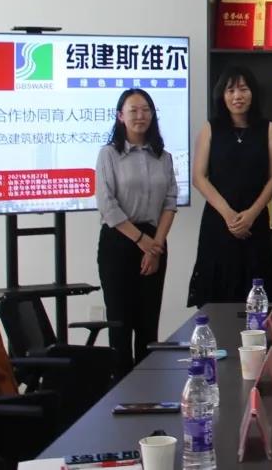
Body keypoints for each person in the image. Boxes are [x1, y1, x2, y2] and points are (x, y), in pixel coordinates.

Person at [95, 88, 178, 377]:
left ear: (153, 115)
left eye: (145, 110)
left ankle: (147, 388)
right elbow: (107, 205)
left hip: (155, 242)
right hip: (119, 241)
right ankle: (120, 390)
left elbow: (170, 203)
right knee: (120, 324)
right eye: (133, 110)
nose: (140, 116)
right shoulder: (109, 154)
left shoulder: (163, 157)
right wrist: (142, 241)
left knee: (148, 324)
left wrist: (155, 246)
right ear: (120, 116)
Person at [189, 66, 272, 307]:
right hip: (219, 222)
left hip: (255, 222)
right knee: (217, 294)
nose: (237, 96)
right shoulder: (211, 128)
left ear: (253, 93)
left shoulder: (268, 129)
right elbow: (199, 177)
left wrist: (251, 214)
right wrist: (228, 215)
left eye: (243, 89)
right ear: (222, 95)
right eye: (230, 90)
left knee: (257, 295)